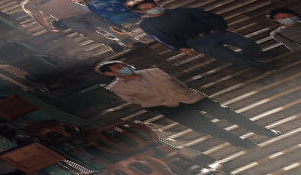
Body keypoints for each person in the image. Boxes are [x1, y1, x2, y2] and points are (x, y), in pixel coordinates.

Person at [96, 61, 280, 144]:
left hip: (191, 97)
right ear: (110, 74)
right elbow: (132, 100)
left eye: (122, 64)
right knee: (206, 127)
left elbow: (176, 81)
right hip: (167, 107)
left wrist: (185, 92)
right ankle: (239, 142)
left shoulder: (154, 71)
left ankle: (264, 131)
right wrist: (156, 101)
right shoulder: (117, 88)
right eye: (117, 68)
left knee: (228, 114)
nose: (123, 68)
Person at [126, 0, 268, 68]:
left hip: (214, 33)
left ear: (157, 4)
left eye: (153, 6)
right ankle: (263, 66)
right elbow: (161, 37)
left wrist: (218, 27)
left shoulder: (180, 11)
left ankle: (255, 55)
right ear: (140, 12)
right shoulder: (146, 24)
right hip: (195, 41)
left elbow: (207, 16)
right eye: (147, 9)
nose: (153, 9)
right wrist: (181, 47)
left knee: (247, 43)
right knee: (230, 56)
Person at [8, 0, 127, 51]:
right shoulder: (28, 5)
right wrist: (46, 27)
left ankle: (129, 40)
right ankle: (112, 44)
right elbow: (38, 16)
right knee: (88, 33)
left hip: (84, 12)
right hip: (67, 20)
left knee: (108, 27)